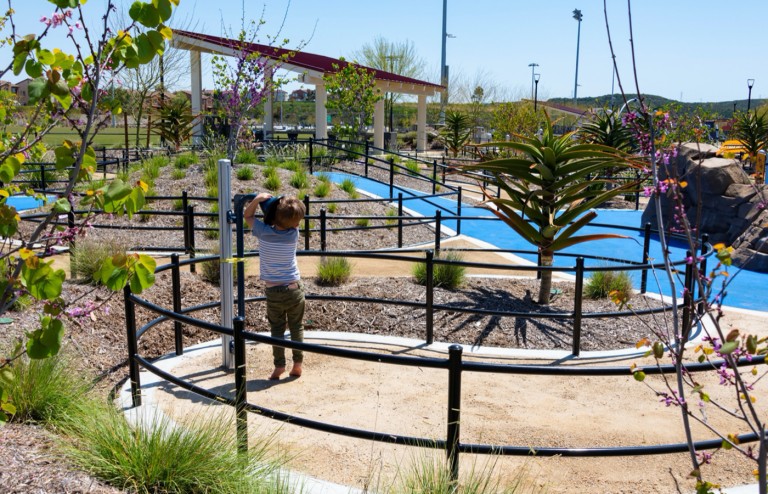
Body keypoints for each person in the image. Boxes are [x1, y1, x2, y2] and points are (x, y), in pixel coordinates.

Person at [244, 192, 306, 380]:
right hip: (294, 288)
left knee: (277, 329)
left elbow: (248, 216)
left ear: (272, 217)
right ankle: (297, 364)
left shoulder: (263, 232)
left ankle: (279, 366)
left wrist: (257, 200)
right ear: (295, 223)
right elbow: (291, 220)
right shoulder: (293, 234)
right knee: (296, 327)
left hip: (273, 291)